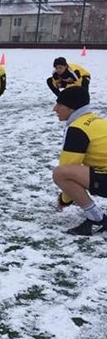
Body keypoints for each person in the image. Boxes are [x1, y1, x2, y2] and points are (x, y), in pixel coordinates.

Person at [51, 87, 107, 236]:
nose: (54, 108)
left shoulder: (77, 128)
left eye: (59, 104)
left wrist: (65, 199)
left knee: (60, 173)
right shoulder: (97, 120)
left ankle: (96, 218)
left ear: (71, 107)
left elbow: (67, 168)